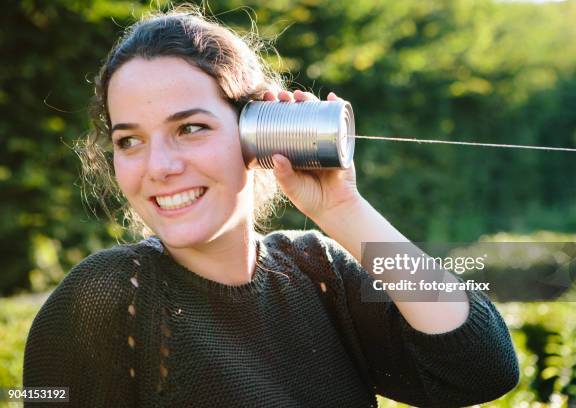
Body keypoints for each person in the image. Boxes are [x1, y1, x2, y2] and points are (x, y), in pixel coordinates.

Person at [22, 5, 519, 408]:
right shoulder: (108, 295)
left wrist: (343, 208)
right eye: (129, 140)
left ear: (255, 132)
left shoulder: (318, 271)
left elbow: (481, 368)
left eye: (190, 128)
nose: (159, 166)